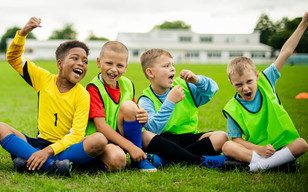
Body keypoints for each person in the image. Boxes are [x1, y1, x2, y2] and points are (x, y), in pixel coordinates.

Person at [0, 17, 107, 176]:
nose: (81, 64)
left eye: (85, 61)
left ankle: (29, 159)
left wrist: (49, 151)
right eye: (75, 58)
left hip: (66, 148)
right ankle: (51, 166)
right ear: (59, 64)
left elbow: (77, 134)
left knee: (99, 140)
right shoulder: (43, 79)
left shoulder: (83, 94)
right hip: (40, 144)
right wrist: (22, 34)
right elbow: (13, 58)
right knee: (1, 127)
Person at [222, 12, 308, 172]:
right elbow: (237, 140)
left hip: (282, 146)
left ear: (257, 76)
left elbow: (285, 52)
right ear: (231, 83)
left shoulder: (266, 80)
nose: (245, 88)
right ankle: (277, 164)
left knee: (301, 144)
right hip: (257, 150)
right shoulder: (232, 107)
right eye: (238, 85)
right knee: (227, 146)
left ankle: (258, 166)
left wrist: (303, 24)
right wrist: (259, 149)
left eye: (249, 82)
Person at [138, 48, 228, 169]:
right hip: (164, 141)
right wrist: (170, 102)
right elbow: (154, 129)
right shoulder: (146, 99)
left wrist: (196, 80)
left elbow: (212, 90)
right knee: (145, 136)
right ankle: (199, 161)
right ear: (150, 73)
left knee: (222, 137)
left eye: (172, 65)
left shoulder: (184, 85)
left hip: (189, 138)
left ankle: (168, 160)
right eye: (166, 66)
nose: (172, 68)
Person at [85, 41, 157, 172]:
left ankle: (138, 161)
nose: (113, 69)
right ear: (98, 62)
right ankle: (92, 163)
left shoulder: (127, 84)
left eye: (119, 65)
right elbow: (100, 126)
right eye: (109, 63)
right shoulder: (94, 87)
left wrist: (143, 117)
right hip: (100, 140)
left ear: (125, 68)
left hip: (120, 136)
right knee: (118, 161)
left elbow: (133, 115)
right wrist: (131, 147)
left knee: (130, 107)